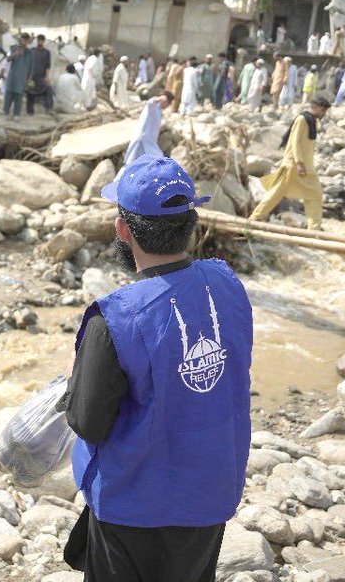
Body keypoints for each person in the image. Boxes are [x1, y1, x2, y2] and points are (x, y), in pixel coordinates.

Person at [61, 155, 252, 582]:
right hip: (211, 492)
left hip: (135, 505)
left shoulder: (115, 317)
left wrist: (75, 381)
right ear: (192, 224)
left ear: (122, 229)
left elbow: (88, 421)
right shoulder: (228, 283)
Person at [250, 96, 331, 230]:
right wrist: (299, 163)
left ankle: (314, 228)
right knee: (276, 193)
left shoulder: (311, 121)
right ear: (316, 108)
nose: (324, 114)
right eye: (323, 110)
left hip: (306, 166)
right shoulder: (302, 119)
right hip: (293, 165)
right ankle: (255, 217)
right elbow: (295, 142)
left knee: (315, 194)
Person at [122, 93, 171, 167]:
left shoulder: (159, 109)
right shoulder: (153, 106)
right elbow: (150, 102)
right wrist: (159, 98)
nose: (167, 106)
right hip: (143, 139)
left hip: (149, 140)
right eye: (167, 104)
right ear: (165, 101)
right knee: (132, 160)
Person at [3, 38, 33, 120]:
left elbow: (31, 66)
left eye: (25, 40)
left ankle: (16, 114)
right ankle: (5, 112)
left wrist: (30, 77)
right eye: (22, 40)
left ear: (27, 41)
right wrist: (14, 54)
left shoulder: (29, 52)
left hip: (22, 77)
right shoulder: (14, 48)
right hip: (12, 77)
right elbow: (8, 59)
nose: (23, 42)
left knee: (19, 95)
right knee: (9, 94)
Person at [27, 35, 53, 115]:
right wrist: (29, 76)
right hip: (32, 77)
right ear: (37, 41)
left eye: (41, 40)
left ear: (43, 41)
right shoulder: (32, 51)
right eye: (39, 40)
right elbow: (28, 64)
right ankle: (30, 111)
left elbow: (48, 66)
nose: (40, 42)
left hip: (42, 77)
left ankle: (48, 109)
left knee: (48, 90)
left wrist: (47, 77)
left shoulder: (47, 52)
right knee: (30, 93)